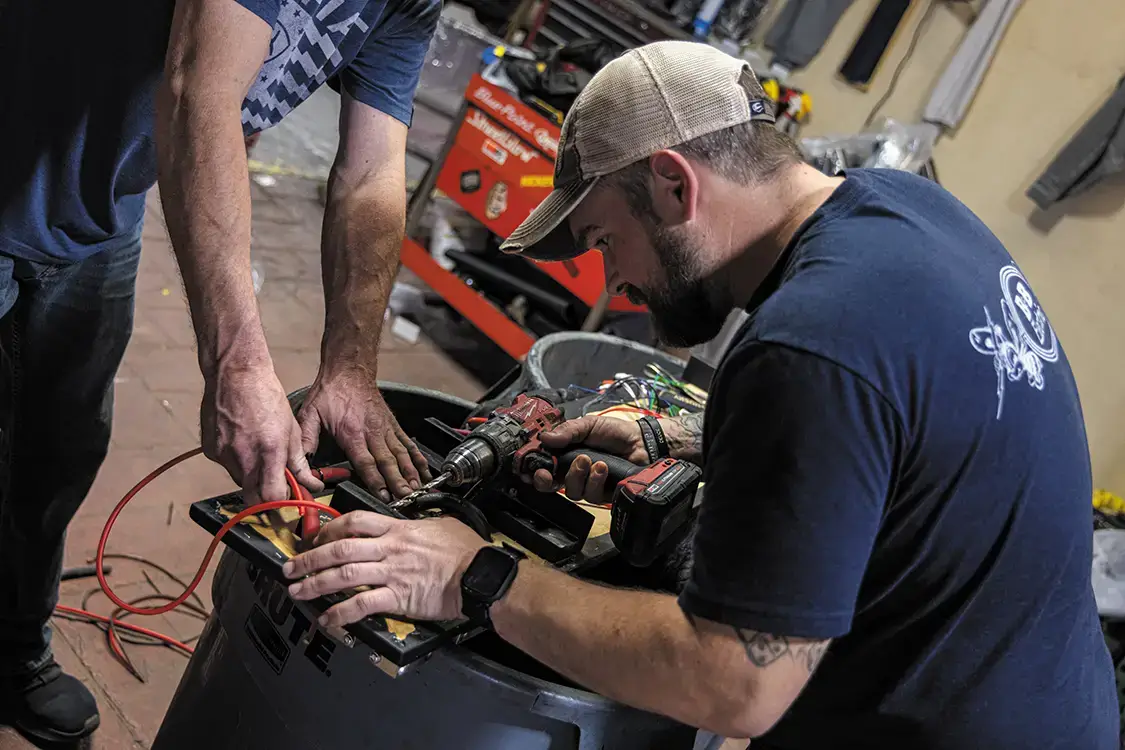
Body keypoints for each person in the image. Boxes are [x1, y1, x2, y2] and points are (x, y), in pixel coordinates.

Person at [282, 40, 1119, 748]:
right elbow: (906, 435)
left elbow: (732, 686)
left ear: (674, 184)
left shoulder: (806, 342)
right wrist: (690, 446)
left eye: (609, 239)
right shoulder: (909, 211)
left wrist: (477, 577)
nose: (615, 278)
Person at [0, 0, 436, 741]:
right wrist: (238, 362)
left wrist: (349, 369)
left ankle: (11, 649)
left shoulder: (411, 6)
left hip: (100, 209)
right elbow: (198, 90)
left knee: (59, 450)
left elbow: (371, 176)